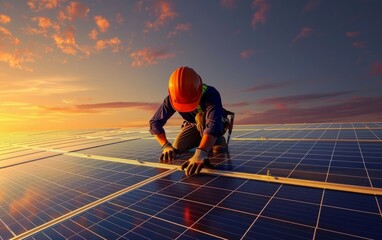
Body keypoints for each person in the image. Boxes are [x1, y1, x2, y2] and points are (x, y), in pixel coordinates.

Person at [149, 66, 230, 176]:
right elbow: (155, 122)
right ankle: (203, 141)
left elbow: (213, 125)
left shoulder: (211, 94)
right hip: (194, 125)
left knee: (200, 117)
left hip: (213, 123)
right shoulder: (172, 98)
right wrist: (166, 146)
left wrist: (201, 153)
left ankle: (217, 140)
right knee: (175, 150)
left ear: (199, 89)